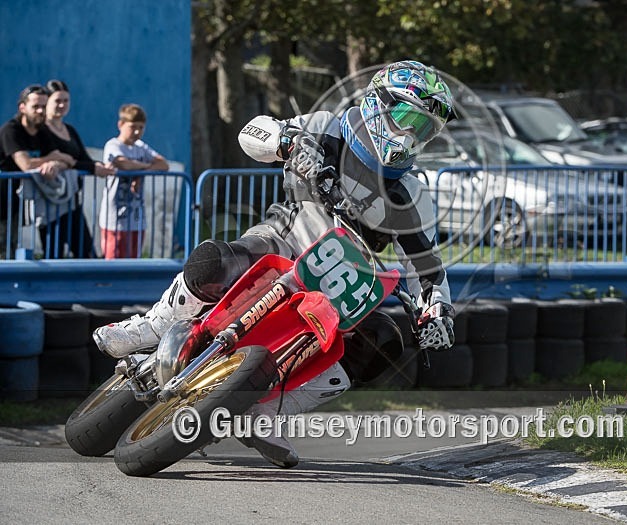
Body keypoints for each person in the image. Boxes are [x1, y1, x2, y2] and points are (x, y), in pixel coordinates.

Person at [94, 60, 457, 468]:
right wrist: (286, 141)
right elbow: (253, 131)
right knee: (212, 259)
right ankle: (155, 325)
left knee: (384, 342)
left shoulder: (411, 192)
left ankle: (268, 413)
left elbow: (427, 266)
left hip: (336, 284)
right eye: (408, 119)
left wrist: (437, 308)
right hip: (278, 241)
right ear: (379, 104)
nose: (411, 136)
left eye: (424, 129)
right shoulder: (327, 126)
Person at [38, 79, 117, 258]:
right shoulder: (41, 130)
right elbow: (57, 158)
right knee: (54, 255)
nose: (62, 105)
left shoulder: (70, 130)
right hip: (51, 203)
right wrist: (79, 165)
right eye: (57, 100)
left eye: (66, 100)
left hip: (72, 200)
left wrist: (99, 166)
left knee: (86, 253)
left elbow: (83, 159)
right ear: (47, 102)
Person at [0, 84, 76, 258]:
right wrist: (53, 159)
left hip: (15, 204)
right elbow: (26, 165)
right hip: (2, 200)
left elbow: (66, 160)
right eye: (36, 106)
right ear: (22, 107)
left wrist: (56, 164)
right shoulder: (11, 131)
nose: (41, 111)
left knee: (10, 250)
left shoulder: (42, 131)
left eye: (43, 106)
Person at [99, 103, 168, 258]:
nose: (137, 132)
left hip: (136, 217)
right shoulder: (113, 145)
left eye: (141, 127)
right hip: (114, 217)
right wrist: (144, 168)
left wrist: (138, 173)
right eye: (132, 127)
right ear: (121, 124)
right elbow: (123, 163)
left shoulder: (141, 146)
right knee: (113, 261)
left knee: (134, 259)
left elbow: (163, 164)